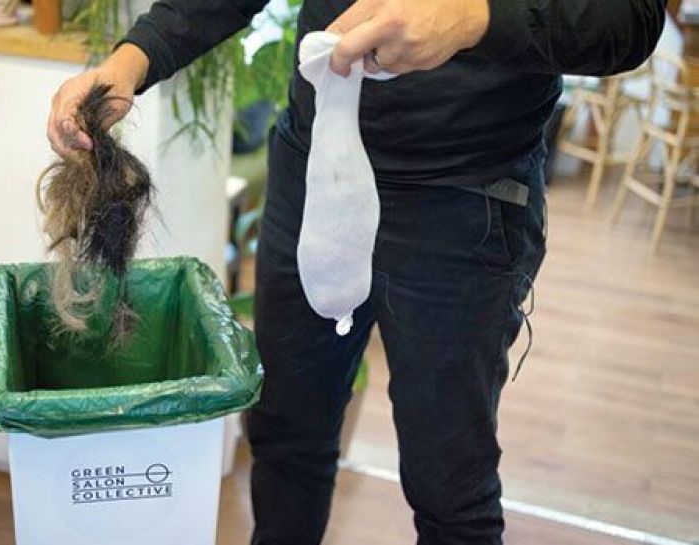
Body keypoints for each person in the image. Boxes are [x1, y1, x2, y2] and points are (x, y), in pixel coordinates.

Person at [47, 1, 666, 543]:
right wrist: (131, 60)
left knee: (448, 480)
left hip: (465, 196)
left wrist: (472, 16)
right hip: (316, 170)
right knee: (285, 434)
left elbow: (629, 20)